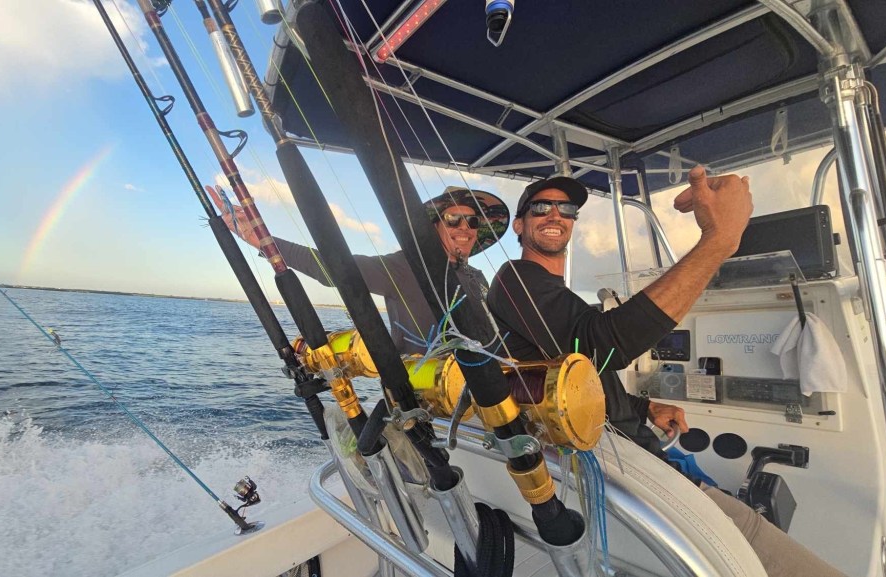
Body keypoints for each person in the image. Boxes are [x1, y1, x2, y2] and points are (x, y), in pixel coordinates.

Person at [488, 166, 847, 577]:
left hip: (635, 452)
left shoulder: (549, 292)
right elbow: (601, 348)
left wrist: (643, 408)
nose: (555, 214)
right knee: (759, 539)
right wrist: (719, 241)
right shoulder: (517, 278)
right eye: (541, 207)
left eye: (565, 208)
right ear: (519, 224)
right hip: (623, 469)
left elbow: (586, 375)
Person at [207, 185, 509, 354]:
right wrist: (263, 239)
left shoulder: (478, 278)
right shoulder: (405, 266)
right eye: (454, 218)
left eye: (472, 222)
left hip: (488, 401)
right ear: (432, 228)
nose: (465, 228)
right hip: (435, 406)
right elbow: (335, 269)